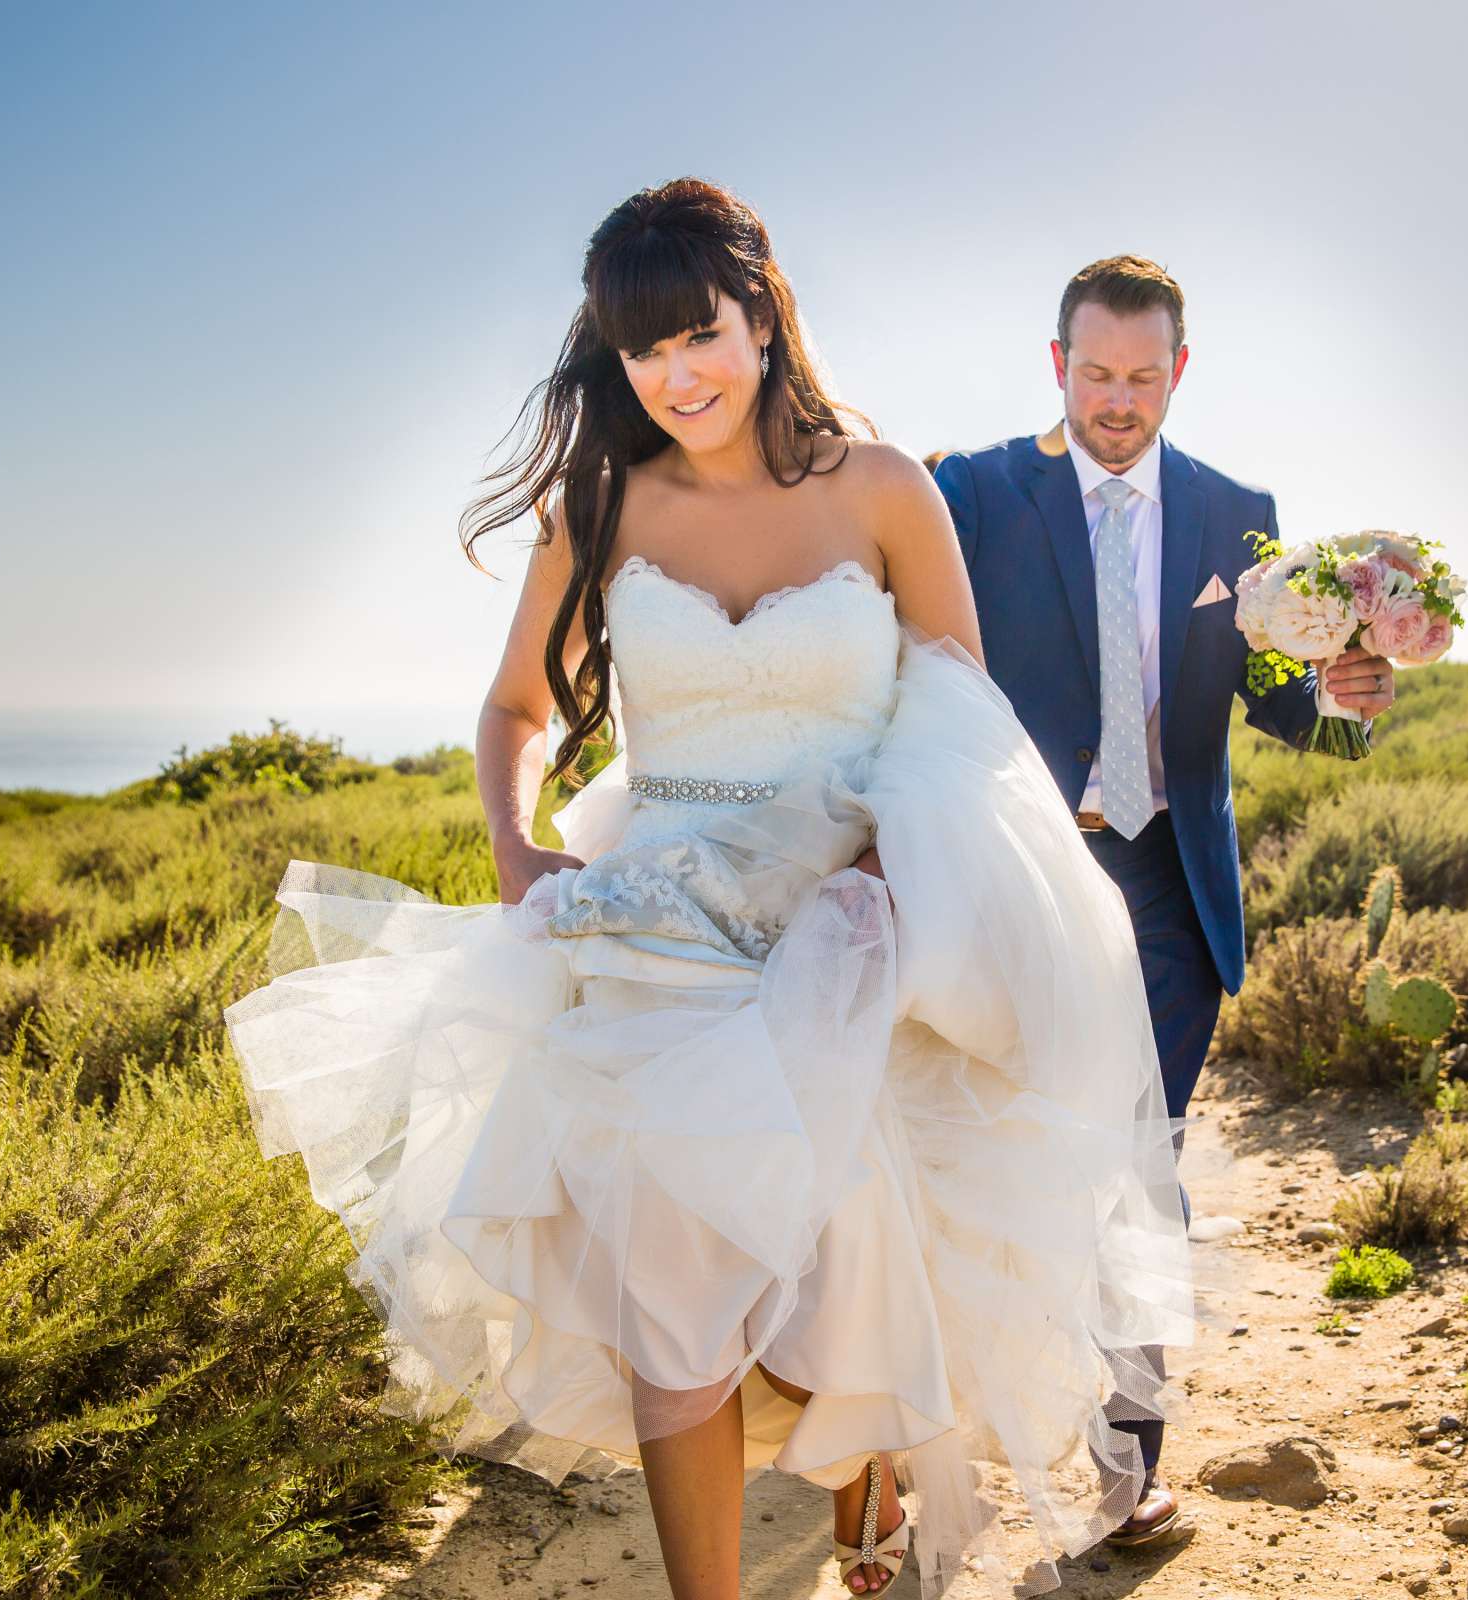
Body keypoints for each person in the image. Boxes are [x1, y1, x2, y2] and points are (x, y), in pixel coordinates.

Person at [223, 181, 1194, 1600]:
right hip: (650, 933)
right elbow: (513, 710)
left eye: (699, 335)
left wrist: (887, 871)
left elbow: (958, 710)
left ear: (764, 316)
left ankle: (864, 1484)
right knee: (673, 1298)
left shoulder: (881, 490)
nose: (674, 376)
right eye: (640, 352)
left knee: (838, 1286)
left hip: (849, 925)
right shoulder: (602, 505)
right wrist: (516, 840)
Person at [930, 255, 1397, 1550]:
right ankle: (951, 1432)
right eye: (1096, 374)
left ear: (1178, 370)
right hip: (1018, 887)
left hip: (1170, 900)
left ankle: (1128, 1470)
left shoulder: (1236, 511)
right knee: (999, 1163)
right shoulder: (971, 493)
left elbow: (1282, 703)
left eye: (1144, 377)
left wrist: (1345, 708)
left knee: (1145, 1168)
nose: (1119, 401)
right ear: (1056, 364)